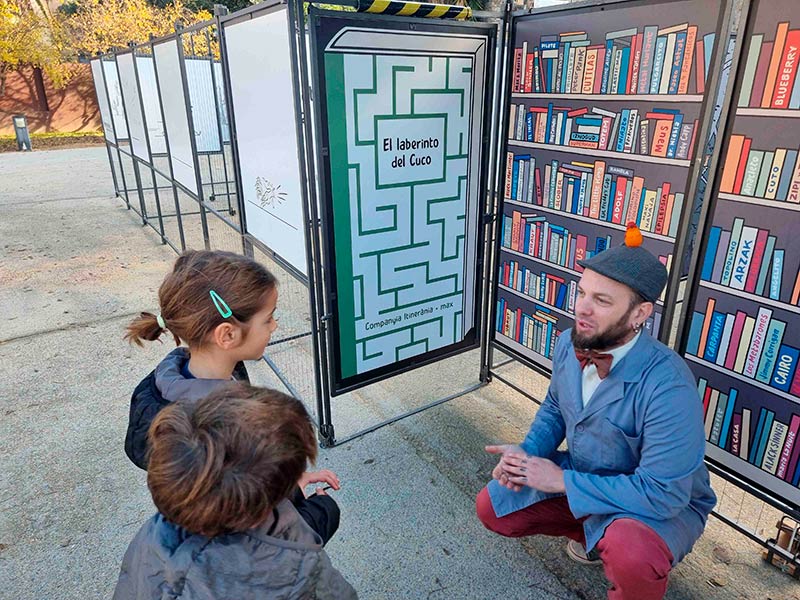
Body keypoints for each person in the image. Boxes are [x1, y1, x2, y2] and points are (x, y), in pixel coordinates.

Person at [476, 223, 716, 600]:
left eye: (602, 301)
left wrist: (562, 482)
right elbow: (556, 406)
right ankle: (592, 533)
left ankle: (614, 547)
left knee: (631, 553)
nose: (582, 309)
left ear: (640, 313)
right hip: (588, 472)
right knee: (493, 506)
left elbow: (664, 495)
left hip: (658, 504)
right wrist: (528, 454)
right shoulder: (567, 343)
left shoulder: (669, 385)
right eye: (582, 293)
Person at [124, 249, 340, 544]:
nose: (274, 326)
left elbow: (244, 490)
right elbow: (251, 542)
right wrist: (323, 513)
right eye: (268, 319)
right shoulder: (218, 434)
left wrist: (286, 486)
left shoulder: (165, 387)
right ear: (227, 335)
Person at [113, 383, 357, 599]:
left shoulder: (151, 534)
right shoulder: (300, 569)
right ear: (260, 509)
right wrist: (323, 511)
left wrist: (287, 493)